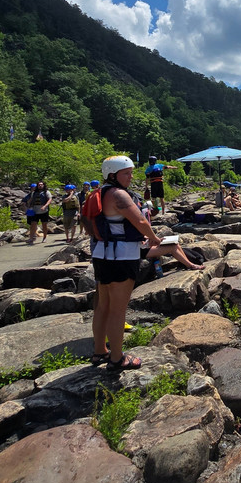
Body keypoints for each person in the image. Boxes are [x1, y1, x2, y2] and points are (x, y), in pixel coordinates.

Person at [83, 155, 164, 370]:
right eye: (126, 173)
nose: (130, 176)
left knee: (103, 306)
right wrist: (155, 239)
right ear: (112, 175)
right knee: (118, 310)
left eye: (131, 172)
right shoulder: (119, 195)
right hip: (122, 257)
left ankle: (100, 351)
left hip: (102, 255)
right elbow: (139, 221)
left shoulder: (97, 194)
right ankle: (118, 358)